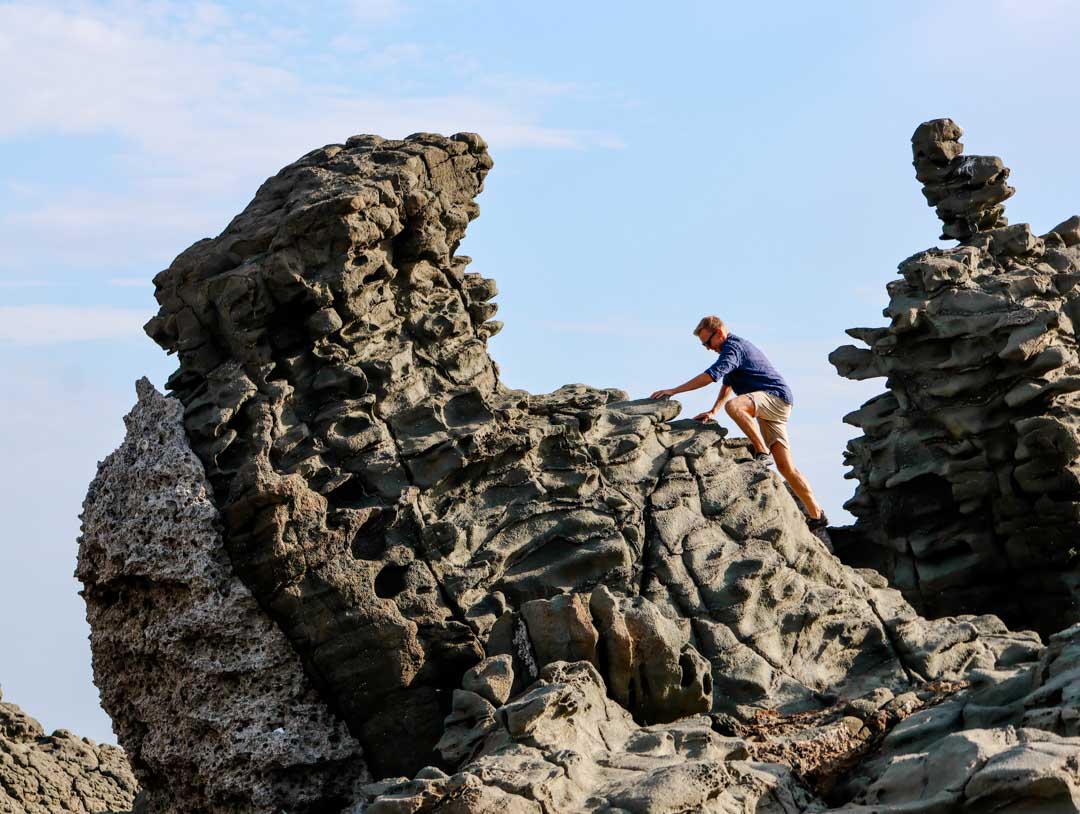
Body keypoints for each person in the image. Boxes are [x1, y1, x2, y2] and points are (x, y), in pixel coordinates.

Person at [649, 315, 827, 531]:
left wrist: (674, 390)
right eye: (704, 344)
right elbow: (727, 384)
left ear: (720, 332)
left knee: (734, 407)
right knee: (786, 467)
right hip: (775, 404)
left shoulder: (733, 348)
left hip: (774, 396)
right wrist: (713, 411)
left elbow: (710, 376)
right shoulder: (730, 352)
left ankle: (761, 452)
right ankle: (817, 516)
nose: (707, 348)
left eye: (708, 342)